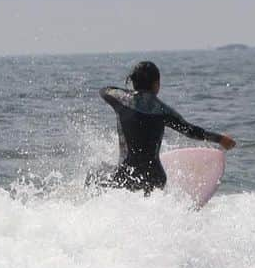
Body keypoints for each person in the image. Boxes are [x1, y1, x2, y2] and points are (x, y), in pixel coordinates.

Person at [94, 61, 236, 192]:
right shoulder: (164, 111)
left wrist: (128, 92)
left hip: (127, 175)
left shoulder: (121, 100)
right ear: (156, 84)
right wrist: (220, 139)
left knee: (95, 174)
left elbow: (104, 90)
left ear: (133, 82)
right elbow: (192, 131)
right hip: (155, 178)